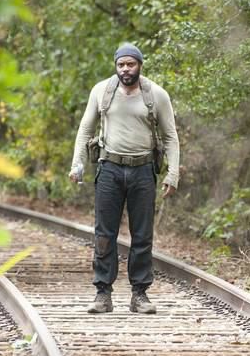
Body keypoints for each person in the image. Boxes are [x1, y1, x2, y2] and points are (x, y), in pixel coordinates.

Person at [69, 43, 180, 315]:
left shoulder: (156, 95)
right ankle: (102, 294)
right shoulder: (101, 91)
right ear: (115, 66)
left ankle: (139, 294)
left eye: (130, 64)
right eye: (121, 65)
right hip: (109, 168)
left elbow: (170, 136)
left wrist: (173, 173)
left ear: (140, 65)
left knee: (142, 234)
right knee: (104, 233)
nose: (125, 69)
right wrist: (77, 163)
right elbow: (86, 128)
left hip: (143, 170)